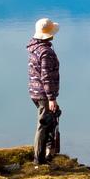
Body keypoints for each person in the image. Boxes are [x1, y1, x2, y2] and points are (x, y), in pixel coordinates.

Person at [27, 17, 61, 166]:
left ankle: (47, 152)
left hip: (35, 91)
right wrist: (51, 98)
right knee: (43, 125)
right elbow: (46, 76)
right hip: (43, 94)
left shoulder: (35, 48)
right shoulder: (45, 52)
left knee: (48, 121)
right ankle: (39, 160)